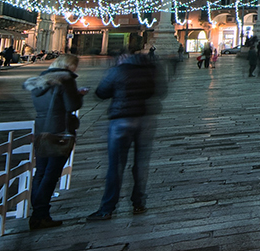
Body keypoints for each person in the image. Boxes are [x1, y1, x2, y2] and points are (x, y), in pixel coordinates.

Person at [85, 33, 162, 221]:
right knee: (140, 165)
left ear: (123, 57)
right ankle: (139, 202)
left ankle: (107, 208)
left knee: (116, 165)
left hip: (121, 120)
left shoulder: (118, 70)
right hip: (143, 119)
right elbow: (156, 91)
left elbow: (101, 92)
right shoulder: (150, 69)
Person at [23, 51, 82, 229]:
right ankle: (40, 214)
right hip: (60, 130)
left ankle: (37, 213)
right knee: (52, 173)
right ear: (69, 65)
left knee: (41, 172)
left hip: (41, 129)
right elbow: (72, 105)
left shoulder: (38, 82)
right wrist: (79, 95)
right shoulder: (66, 80)